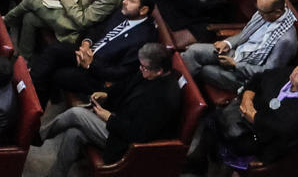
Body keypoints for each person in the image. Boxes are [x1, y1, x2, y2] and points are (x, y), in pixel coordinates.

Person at [30, 41, 183, 177]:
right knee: (73, 133)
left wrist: (109, 117)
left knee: (76, 114)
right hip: (120, 121)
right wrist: (107, 94)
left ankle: (36, 136)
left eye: (144, 67)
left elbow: (139, 133)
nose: (140, 69)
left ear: (159, 71)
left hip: (127, 141)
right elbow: (125, 86)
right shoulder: (147, 72)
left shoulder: (164, 97)